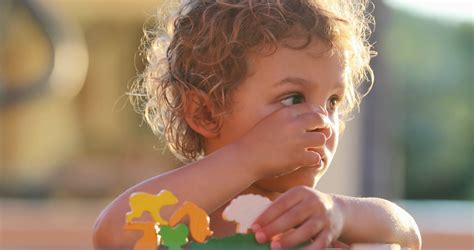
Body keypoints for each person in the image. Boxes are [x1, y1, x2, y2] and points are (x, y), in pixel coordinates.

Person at [93, 0, 421, 249]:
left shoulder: (314, 221)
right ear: (205, 112)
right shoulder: (182, 222)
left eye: (333, 101)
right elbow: (113, 234)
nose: (322, 121)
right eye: (293, 98)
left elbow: (407, 234)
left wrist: (341, 212)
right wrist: (248, 158)